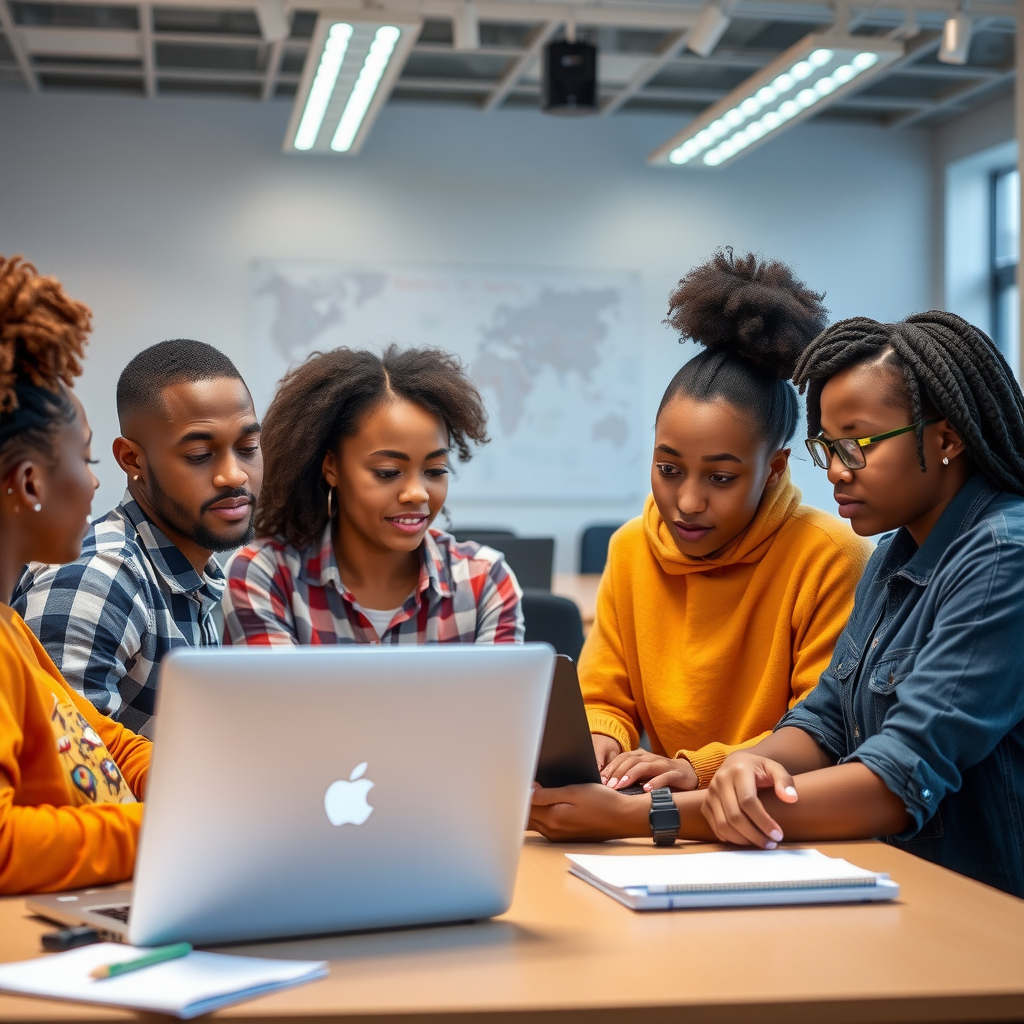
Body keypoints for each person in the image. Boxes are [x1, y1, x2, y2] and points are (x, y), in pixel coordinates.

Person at [530, 310, 1024, 899]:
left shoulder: (1004, 556)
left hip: (982, 901)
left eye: (860, 445)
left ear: (946, 439)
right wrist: (746, 763)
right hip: (899, 879)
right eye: (830, 448)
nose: (838, 471)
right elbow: (828, 719)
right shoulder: (895, 553)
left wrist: (646, 814)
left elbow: (899, 776)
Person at [580, 251, 872, 796]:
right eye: (668, 469)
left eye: (720, 478)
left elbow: (824, 730)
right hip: (666, 811)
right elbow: (603, 695)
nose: (686, 502)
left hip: (787, 819)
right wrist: (605, 739)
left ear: (773, 470)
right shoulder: (630, 549)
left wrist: (700, 768)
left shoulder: (829, 556)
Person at [14, 339, 263, 737]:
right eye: (200, 455)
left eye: (248, 447)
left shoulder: (197, 574)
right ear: (132, 460)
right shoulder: (97, 580)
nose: (235, 475)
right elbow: (68, 775)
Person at [0, 254, 150, 894]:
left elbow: (98, 742)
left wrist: (213, 782)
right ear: (30, 483)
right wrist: (171, 832)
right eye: (86, 459)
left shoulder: (10, 630)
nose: (94, 482)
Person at [223, 345, 523, 646]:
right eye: (388, 472)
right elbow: (276, 695)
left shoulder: (486, 580)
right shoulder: (265, 575)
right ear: (332, 467)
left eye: (435, 470)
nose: (417, 493)